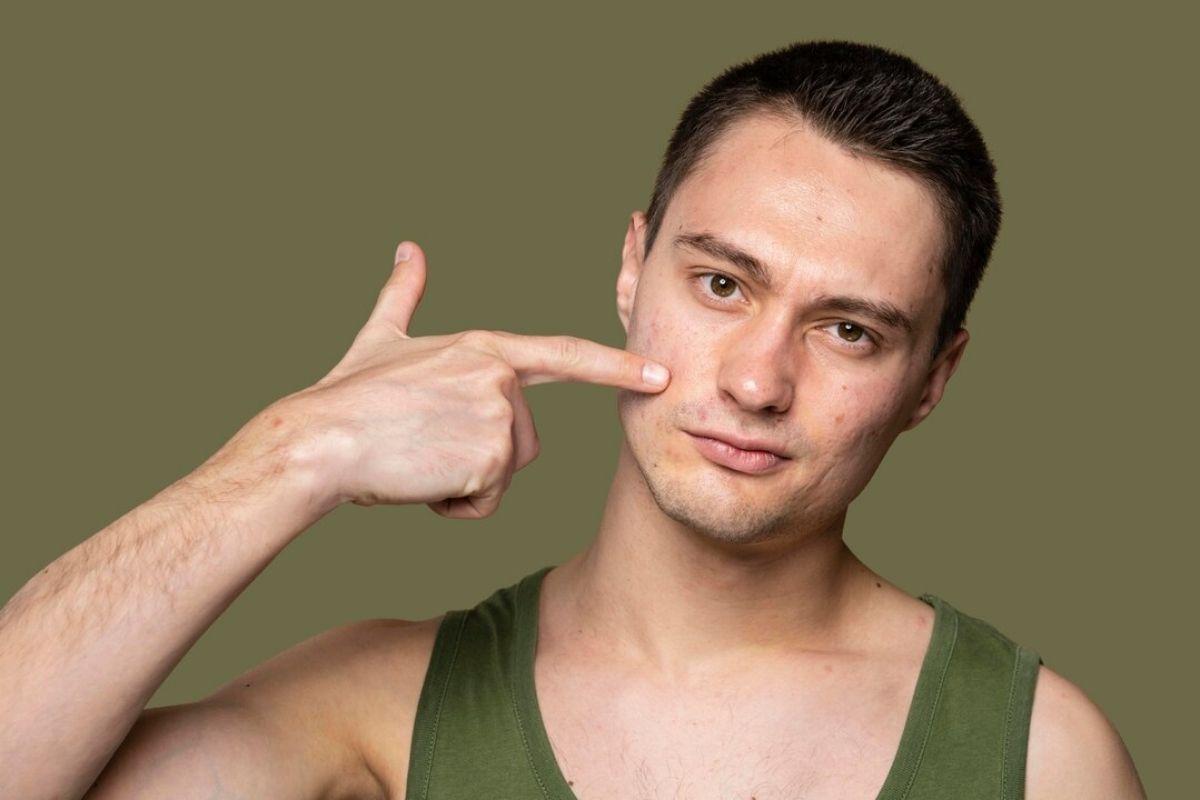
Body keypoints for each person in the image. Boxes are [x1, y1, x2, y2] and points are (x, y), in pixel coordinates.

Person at [0, 39, 1145, 800]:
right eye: (722, 284)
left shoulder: (1039, 754)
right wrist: (293, 452)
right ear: (633, 266)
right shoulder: (381, 704)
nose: (759, 381)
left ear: (934, 378)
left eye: (849, 329)